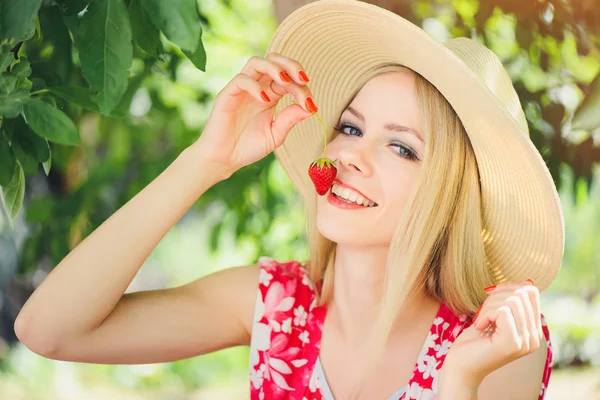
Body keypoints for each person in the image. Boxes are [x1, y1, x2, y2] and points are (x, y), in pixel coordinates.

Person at [13, 0, 564, 399]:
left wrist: (461, 384)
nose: (350, 155)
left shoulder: (498, 344)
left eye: (400, 146)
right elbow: (47, 331)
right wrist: (207, 161)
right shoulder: (275, 307)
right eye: (349, 127)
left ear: (451, 193)